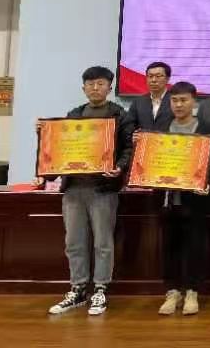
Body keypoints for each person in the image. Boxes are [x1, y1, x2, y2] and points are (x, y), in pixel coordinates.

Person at [34, 66, 134, 316]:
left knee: (103, 242)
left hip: (103, 189)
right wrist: (45, 134)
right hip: (73, 189)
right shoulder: (74, 114)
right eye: (90, 84)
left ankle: (100, 289)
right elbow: (61, 145)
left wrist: (120, 168)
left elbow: (128, 149)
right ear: (83, 88)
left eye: (100, 84)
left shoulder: (120, 115)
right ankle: (78, 288)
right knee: (74, 242)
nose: (95, 88)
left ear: (109, 87)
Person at [156, 81, 210, 316]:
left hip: (196, 200)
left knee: (195, 246)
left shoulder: (206, 127)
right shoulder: (162, 126)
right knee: (169, 246)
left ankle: (192, 292)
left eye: (183, 100)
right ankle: (172, 292)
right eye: (174, 100)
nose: (179, 105)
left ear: (193, 102)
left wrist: (206, 182)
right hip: (168, 199)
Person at [126, 61, 174, 131]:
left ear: (167, 79)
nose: (153, 80)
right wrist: (134, 133)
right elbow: (128, 126)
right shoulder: (138, 102)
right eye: (150, 76)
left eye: (158, 76)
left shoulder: (175, 100)